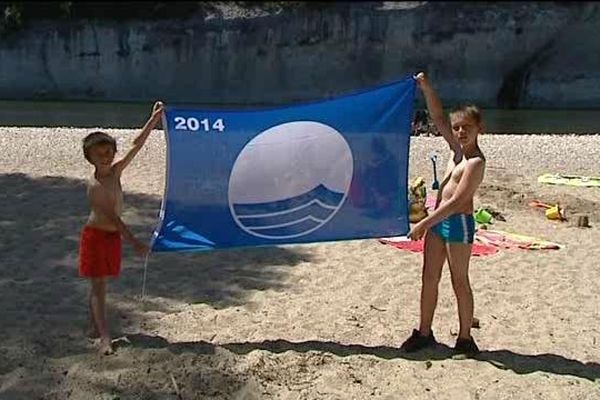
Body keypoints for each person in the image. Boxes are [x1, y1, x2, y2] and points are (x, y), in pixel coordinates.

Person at [401, 72, 486, 355]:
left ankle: (465, 339)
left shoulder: (474, 162)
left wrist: (424, 223)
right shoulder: (455, 152)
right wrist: (426, 87)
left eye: (467, 128)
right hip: (438, 223)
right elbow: (437, 116)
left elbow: (457, 201)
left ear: (478, 129)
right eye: (458, 128)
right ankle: (424, 332)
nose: (461, 132)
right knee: (429, 277)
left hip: (457, 224)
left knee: (458, 279)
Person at [79, 101, 163, 355]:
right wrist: (135, 242)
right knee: (99, 287)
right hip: (96, 237)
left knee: (100, 284)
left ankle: (94, 324)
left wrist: (153, 119)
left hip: (112, 237)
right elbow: (114, 219)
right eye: (99, 154)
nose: (106, 157)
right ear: (90, 158)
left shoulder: (115, 173)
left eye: (109, 152)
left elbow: (136, 145)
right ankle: (104, 337)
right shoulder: (94, 186)